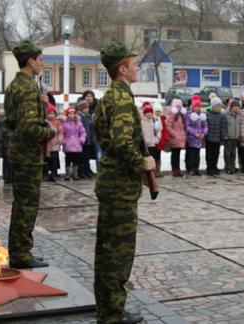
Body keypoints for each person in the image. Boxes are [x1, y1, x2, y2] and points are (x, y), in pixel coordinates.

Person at [93, 42, 154, 324]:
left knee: (107, 250)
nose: (137, 68)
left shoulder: (109, 97)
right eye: (134, 64)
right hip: (119, 185)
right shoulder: (121, 98)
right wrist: (143, 163)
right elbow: (121, 142)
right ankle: (112, 314)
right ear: (122, 68)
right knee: (118, 252)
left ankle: (108, 309)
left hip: (111, 182)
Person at [4, 40, 57, 269]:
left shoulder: (16, 85)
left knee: (22, 204)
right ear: (30, 61)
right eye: (40, 60)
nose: (42, 64)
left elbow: (12, 121)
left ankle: (20, 250)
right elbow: (27, 127)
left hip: (21, 153)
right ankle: (21, 254)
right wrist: (50, 131)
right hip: (27, 155)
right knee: (27, 205)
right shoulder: (26, 88)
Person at [185, 96, 208, 176]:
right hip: (192, 138)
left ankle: (196, 168)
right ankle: (191, 169)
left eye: (198, 106)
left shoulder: (202, 116)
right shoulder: (189, 115)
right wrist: (194, 133)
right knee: (192, 155)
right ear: (193, 106)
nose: (197, 108)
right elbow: (187, 127)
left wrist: (203, 133)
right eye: (195, 106)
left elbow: (205, 126)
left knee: (197, 155)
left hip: (199, 139)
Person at [62, 106, 86, 181]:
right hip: (68, 144)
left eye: (73, 113)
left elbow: (83, 132)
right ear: (67, 114)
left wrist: (82, 139)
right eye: (70, 114)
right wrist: (63, 141)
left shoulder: (79, 123)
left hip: (77, 144)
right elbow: (62, 133)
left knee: (76, 160)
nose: (72, 115)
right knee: (68, 160)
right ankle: (67, 175)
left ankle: (75, 175)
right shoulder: (64, 123)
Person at [205, 96, 226, 176]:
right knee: (209, 154)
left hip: (217, 139)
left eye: (220, 106)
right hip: (209, 138)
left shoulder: (221, 116)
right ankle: (209, 167)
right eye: (217, 106)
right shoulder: (207, 114)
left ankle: (214, 166)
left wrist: (222, 136)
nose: (219, 108)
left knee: (216, 154)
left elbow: (222, 127)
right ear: (213, 106)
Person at [166, 98, 187, 177]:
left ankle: (178, 168)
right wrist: (174, 134)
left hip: (180, 138)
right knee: (174, 154)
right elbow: (168, 126)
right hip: (174, 138)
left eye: (180, 107)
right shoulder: (172, 115)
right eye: (177, 107)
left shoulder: (181, 116)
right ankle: (174, 169)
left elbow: (182, 126)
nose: (179, 108)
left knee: (177, 154)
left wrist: (183, 134)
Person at [140, 102, 162, 175]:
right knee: (146, 159)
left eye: (150, 112)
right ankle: (146, 174)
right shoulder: (142, 121)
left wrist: (157, 139)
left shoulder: (154, 120)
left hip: (152, 143)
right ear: (145, 113)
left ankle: (153, 173)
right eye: (147, 112)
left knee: (153, 159)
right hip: (145, 144)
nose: (149, 114)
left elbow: (158, 130)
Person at [77, 99, 96, 179]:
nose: (86, 110)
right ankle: (81, 171)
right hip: (82, 141)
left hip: (88, 140)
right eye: (85, 108)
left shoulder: (89, 117)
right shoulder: (79, 117)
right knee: (81, 158)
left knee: (87, 157)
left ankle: (87, 170)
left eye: (87, 108)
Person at [44, 104, 64, 182]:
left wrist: (60, 140)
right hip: (47, 144)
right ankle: (47, 174)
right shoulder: (45, 123)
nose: (51, 115)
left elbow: (61, 132)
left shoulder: (57, 122)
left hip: (55, 144)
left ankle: (54, 173)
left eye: (52, 113)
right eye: (49, 113)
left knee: (55, 159)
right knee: (47, 160)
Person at [224, 100, 241, 174]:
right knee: (227, 152)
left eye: (238, 107)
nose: (237, 109)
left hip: (235, 137)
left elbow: (239, 125)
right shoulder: (226, 114)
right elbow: (224, 126)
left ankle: (233, 166)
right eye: (235, 107)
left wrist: (239, 135)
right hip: (228, 137)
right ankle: (227, 167)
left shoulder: (238, 114)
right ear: (232, 107)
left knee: (233, 153)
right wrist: (225, 134)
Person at [154, 104, 167, 177]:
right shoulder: (153, 119)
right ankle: (154, 171)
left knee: (158, 156)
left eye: (159, 111)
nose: (158, 113)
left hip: (161, 140)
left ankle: (158, 170)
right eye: (156, 111)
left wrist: (164, 139)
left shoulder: (162, 119)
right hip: (154, 140)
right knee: (154, 156)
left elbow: (164, 129)